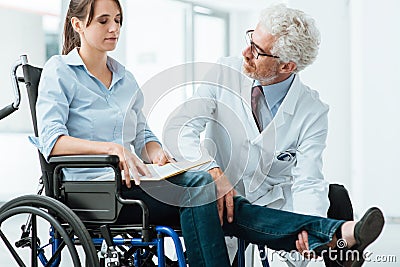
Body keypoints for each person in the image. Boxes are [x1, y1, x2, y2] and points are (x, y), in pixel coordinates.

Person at [30, 1, 384, 266]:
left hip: (137, 183)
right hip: (92, 189)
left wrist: (154, 152)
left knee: (226, 199)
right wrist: (113, 149)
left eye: (118, 20)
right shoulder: (60, 72)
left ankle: (331, 232)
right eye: (104, 21)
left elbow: (143, 134)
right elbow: (51, 141)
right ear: (77, 23)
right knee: (205, 186)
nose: (115, 28)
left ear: (287, 66)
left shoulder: (125, 78)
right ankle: (336, 232)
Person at [163, 3, 354, 267]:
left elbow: (308, 181)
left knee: (335, 200)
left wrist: (308, 230)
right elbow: (179, 128)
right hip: (215, 199)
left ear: (287, 66)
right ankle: (340, 233)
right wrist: (211, 170)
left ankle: (324, 233)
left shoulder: (312, 110)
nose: (245, 52)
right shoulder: (223, 73)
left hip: (271, 204)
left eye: (257, 51)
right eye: (250, 39)